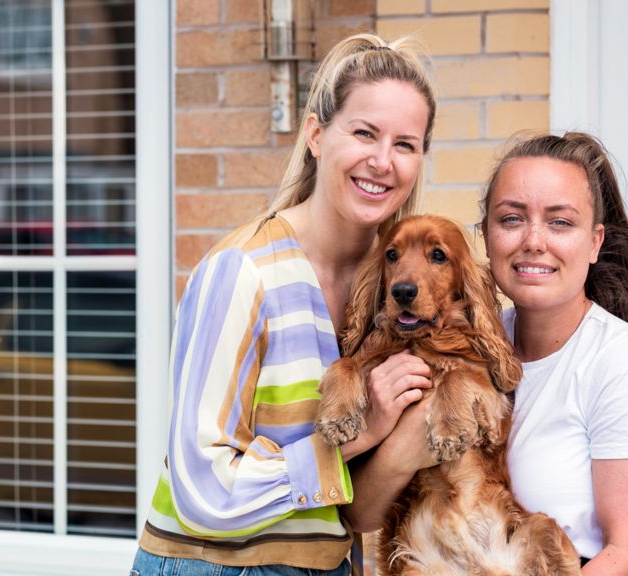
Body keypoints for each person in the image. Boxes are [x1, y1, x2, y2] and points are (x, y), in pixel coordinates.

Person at [131, 33, 438, 576]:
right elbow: (204, 487)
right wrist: (357, 434)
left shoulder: (393, 292)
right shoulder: (242, 271)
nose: (382, 161)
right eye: (364, 132)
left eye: (405, 144)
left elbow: (353, 507)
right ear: (317, 135)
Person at [346, 132, 628, 575]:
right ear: (485, 240)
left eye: (560, 222)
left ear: (594, 242)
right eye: (511, 220)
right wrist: (403, 449)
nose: (533, 240)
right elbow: (361, 517)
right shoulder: (456, 344)